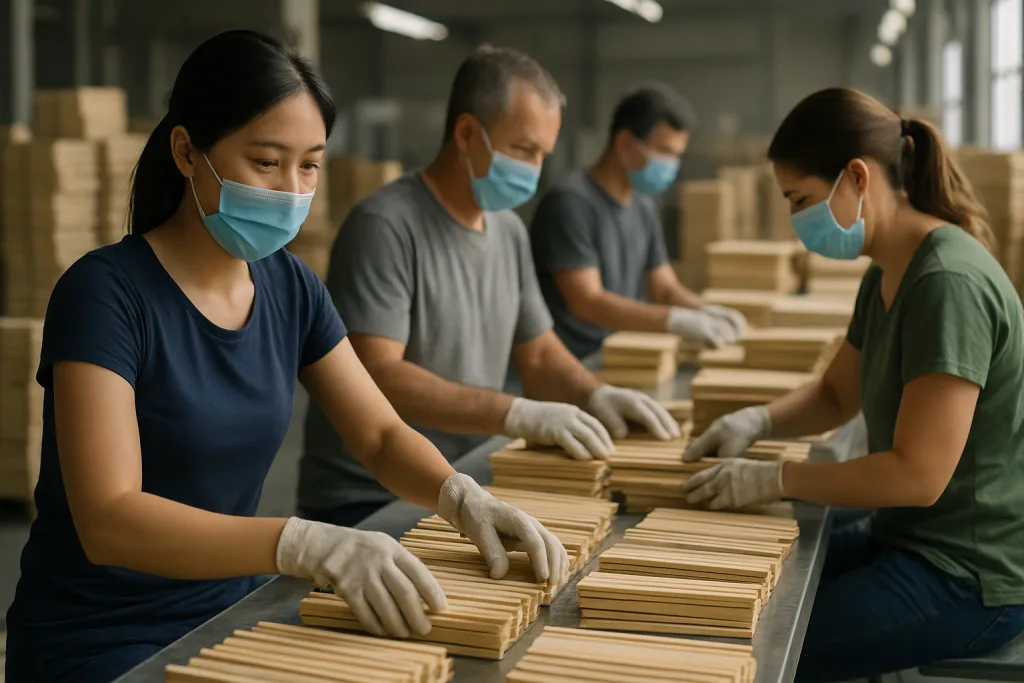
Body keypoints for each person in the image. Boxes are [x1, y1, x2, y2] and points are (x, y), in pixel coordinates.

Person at [4, 31, 567, 683]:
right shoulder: (104, 294)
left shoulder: (291, 286)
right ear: (187, 151)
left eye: (310, 164)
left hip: (230, 614)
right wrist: (302, 541)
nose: (292, 188)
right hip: (99, 639)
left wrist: (459, 494)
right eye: (266, 162)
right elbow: (110, 518)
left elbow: (380, 433)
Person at [681, 87, 1024, 682]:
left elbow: (918, 476)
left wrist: (777, 478)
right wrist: (756, 421)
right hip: (908, 539)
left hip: (969, 575)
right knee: (748, 596)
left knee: (757, 654)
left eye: (802, 200)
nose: (796, 222)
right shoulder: (889, 270)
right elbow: (835, 395)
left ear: (857, 178)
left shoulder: (947, 282)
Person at [298, 47, 680, 528]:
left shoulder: (508, 230)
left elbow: (537, 353)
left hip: (466, 477)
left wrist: (596, 394)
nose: (535, 168)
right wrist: (515, 412)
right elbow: (379, 374)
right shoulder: (385, 225)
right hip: (370, 496)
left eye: (544, 154)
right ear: (465, 133)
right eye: (523, 150)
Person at [530, 84, 746, 359]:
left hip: (616, 352)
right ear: (624, 143)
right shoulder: (570, 202)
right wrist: (674, 321)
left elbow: (664, 288)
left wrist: (704, 310)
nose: (672, 164)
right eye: (665, 152)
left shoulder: (642, 206)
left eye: (677, 155)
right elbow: (586, 301)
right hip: (571, 360)